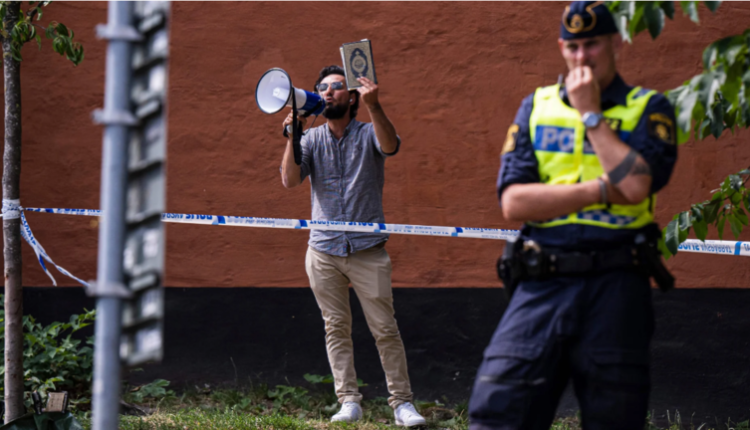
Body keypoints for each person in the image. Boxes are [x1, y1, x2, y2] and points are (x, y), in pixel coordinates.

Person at [468, 2, 678, 429]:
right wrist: (601, 189)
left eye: (592, 44)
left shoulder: (649, 108)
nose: (583, 56)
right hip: (542, 281)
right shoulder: (536, 106)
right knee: (497, 411)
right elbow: (514, 203)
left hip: (616, 284)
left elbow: (637, 187)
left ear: (615, 43)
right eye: (573, 46)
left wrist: (591, 115)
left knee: (614, 418)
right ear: (562, 48)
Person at [279, 65, 426, 427]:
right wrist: (292, 137)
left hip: (367, 251)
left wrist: (375, 106)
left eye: (337, 87)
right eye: (323, 88)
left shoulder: (368, 132)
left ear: (353, 97)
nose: (328, 92)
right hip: (323, 250)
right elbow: (290, 181)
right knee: (335, 328)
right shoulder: (311, 139)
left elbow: (390, 146)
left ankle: (402, 404)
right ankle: (348, 401)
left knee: (385, 329)